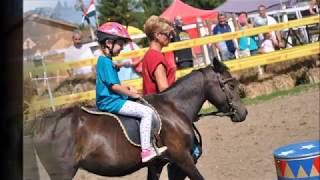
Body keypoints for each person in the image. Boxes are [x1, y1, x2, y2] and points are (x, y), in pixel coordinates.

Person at [95, 22, 167, 163]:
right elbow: (114, 87)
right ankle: (146, 150)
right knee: (147, 112)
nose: (122, 47)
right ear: (109, 42)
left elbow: (114, 84)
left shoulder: (106, 61)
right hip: (111, 102)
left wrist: (127, 88)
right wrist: (131, 94)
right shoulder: (106, 62)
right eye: (120, 44)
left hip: (112, 99)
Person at [142, 15, 177, 95]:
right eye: (168, 34)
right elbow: (163, 89)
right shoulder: (156, 57)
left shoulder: (149, 54)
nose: (170, 37)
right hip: (161, 105)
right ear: (157, 35)